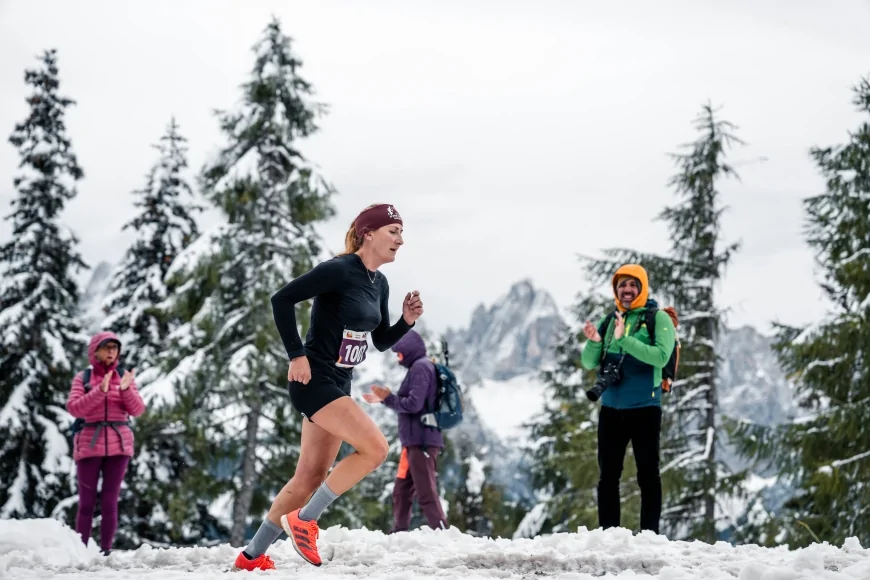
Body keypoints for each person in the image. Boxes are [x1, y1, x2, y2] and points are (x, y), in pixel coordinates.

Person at [233, 203, 423, 571]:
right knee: (375, 449)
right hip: (313, 379)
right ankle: (306, 520)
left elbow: (380, 340)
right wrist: (296, 355)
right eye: (393, 231)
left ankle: (251, 556)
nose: (401, 240)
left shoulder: (377, 282)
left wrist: (406, 321)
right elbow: (282, 299)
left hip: (338, 381)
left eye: (401, 233)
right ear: (369, 233)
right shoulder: (338, 270)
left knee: (309, 477)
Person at [580, 264, 676, 535]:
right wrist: (596, 341)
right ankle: (609, 535)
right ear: (615, 289)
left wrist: (624, 341)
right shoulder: (610, 320)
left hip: (645, 408)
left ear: (642, 287)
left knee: (648, 475)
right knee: (608, 476)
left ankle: (649, 535)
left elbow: (660, 357)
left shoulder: (659, 319)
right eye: (622, 285)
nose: (627, 290)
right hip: (611, 409)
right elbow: (589, 362)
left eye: (633, 285)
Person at [362, 329, 449, 533]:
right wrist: (386, 399)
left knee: (426, 492)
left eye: (398, 352)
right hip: (411, 443)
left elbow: (413, 404)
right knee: (401, 491)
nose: (397, 357)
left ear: (408, 350)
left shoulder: (421, 368)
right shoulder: (418, 368)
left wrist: (388, 399)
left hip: (422, 442)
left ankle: (444, 534)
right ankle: (398, 532)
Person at [66, 331, 144, 555]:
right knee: (87, 502)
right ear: (95, 351)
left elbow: (137, 409)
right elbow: (75, 408)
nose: (111, 351)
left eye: (115, 347)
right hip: (90, 444)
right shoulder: (83, 378)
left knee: (110, 501)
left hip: (119, 446)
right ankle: (81, 551)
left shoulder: (124, 376)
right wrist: (100, 391)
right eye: (107, 347)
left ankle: (106, 551)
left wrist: (126, 389)